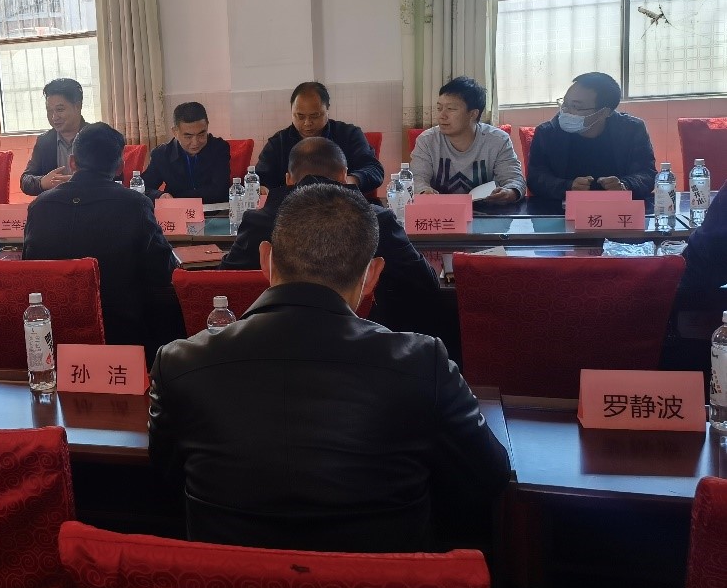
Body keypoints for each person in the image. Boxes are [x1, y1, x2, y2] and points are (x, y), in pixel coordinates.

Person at [149, 184, 511, 553]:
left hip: (231, 587)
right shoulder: (423, 362)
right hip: (381, 587)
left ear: (265, 258)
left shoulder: (178, 363)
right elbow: (488, 476)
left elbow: (165, 479)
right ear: (372, 275)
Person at [222, 137, 440, 333]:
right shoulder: (377, 220)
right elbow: (426, 283)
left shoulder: (258, 221)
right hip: (362, 344)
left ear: (288, 179)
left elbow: (224, 282)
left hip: (266, 338)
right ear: (344, 176)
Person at [23, 122, 182, 356]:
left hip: (56, 334)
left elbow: (30, 269)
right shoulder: (135, 204)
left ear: (72, 162)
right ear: (120, 167)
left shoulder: (39, 206)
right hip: (123, 334)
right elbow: (163, 271)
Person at [527, 71, 656, 203]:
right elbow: (535, 178)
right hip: (562, 209)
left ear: (604, 112)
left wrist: (625, 186)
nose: (565, 111)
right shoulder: (547, 133)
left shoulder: (631, 130)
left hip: (619, 209)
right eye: (564, 103)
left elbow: (647, 173)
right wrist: (568, 187)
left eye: (575, 106)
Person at [254, 81, 384, 193]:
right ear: (291, 111)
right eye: (300, 116)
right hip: (292, 209)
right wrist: (261, 188)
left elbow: (374, 170)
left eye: (314, 116)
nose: (307, 123)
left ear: (327, 110)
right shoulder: (278, 143)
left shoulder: (349, 134)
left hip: (342, 205)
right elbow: (259, 179)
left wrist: (349, 181)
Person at [410, 77, 524, 203]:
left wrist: (509, 192)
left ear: (473, 114)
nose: (442, 116)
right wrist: (423, 192)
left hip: (487, 210)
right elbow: (416, 178)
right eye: (439, 108)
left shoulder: (498, 140)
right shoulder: (427, 140)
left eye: (451, 109)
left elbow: (514, 180)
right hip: (440, 210)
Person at [141, 101, 232, 203]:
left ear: (207, 126)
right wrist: (159, 195)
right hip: (177, 210)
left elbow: (220, 190)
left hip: (214, 209)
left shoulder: (219, 148)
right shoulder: (162, 154)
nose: (195, 142)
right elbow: (142, 189)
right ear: (175, 132)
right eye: (188, 136)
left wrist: (177, 197)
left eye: (201, 134)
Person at [19, 77, 88, 196]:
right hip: (55, 204)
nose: (54, 117)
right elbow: (25, 181)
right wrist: (42, 182)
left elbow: (115, 179)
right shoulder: (44, 141)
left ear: (78, 106)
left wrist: (81, 182)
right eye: (49, 111)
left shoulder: (98, 137)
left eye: (60, 110)